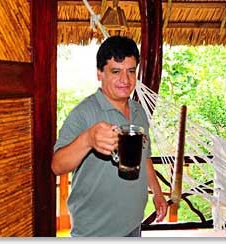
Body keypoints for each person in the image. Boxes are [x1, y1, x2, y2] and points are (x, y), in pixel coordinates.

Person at [51, 36, 167, 237]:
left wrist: (157, 192)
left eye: (131, 71)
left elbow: (144, 156)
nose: (126, 79)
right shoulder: (84, 113)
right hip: (95, 231)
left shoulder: (139, 112)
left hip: (133, 224)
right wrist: (88, 139)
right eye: (116, 71)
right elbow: (57, 165)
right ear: (99, 73)